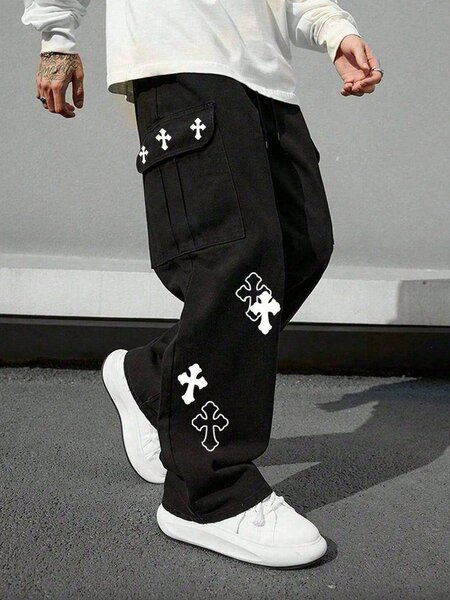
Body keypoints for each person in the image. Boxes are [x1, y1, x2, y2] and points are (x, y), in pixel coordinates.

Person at [21, 0, 383, 568]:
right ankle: (207, 493)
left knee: (302, 247)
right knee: (231, 256)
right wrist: (57, 36)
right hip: (181, 56)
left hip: (265, 75)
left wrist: (333, 28)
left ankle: (154, 378)